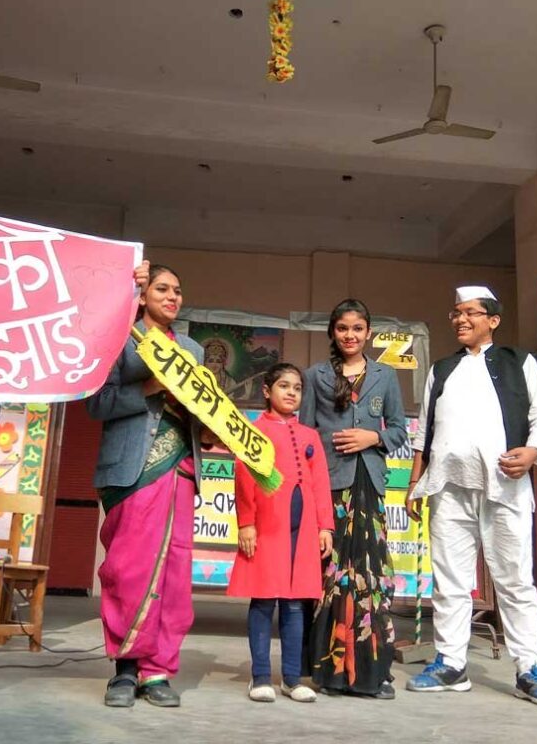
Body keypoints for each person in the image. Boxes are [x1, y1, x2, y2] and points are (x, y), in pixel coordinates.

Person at [405, 285, 537, 706]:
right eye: (456, 313)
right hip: (448, 487)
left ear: (493, 320)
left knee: (515, 580)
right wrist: (415, 483)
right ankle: (451, 664)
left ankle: (529, 668)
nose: (461, 319)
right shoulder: (442, 369)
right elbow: (424, 430)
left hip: (504, 485)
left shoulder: (519, 362)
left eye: (471, 313)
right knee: (450, 580)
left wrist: (532, 452)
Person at [87, 262, 205, 708]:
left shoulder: (191, 350)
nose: (172, 297)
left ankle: (158, 671)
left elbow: (202, 411)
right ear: (142, 296)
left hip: (180, 470)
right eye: (162, 289)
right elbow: (97, 404)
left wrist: (210, 426)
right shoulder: (121, 340)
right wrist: (150, 389)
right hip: (133, 472)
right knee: (129, 569)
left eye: (178, 290)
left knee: (174, 574)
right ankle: (125, 668)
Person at [299, 298, 407, 699]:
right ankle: (328, 672)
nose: (350, 335)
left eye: (357, 328)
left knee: (371, 576)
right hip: (329, 487)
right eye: (343, 328)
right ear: (333, 332)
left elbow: (399, 430)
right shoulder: (315, 376)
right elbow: (305, 435)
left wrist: (372, 437)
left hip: (369, 487)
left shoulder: (385, 375)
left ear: (368, 333)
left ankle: (372, 672)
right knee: (331, 574)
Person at [227, 363, 334, 704]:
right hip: (267, 526)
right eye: (284, 386)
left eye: (297, 388)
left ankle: (291, 678)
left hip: (302, 530)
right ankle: (260, 676)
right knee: (263, 599)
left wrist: (325, 526)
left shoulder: (310, 436)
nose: (291, 393)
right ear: (266, 391)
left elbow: (320, 484)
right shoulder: (254, 431)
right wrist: (246, 522)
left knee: (295, 603)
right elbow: (244, 478)